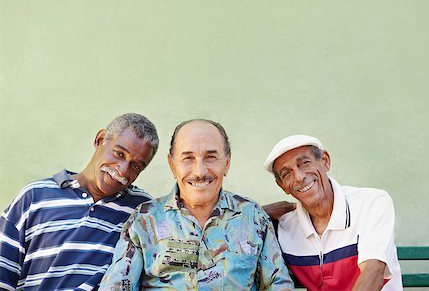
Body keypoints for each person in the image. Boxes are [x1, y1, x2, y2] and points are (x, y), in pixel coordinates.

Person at [99, 119, 294, 290]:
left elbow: (278, 284)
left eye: (210, 157)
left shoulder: (253, 217)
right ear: (172, 165)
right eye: (188, 158)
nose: (200, 171)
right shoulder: (144, 220)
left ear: (226, 163)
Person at [0, 113, 159, 291]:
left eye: (136, 166)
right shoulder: (34, 197)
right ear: (100, 140)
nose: (122, 171)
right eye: (119, 154)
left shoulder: (143, 212)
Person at [263, 135, 402, 291]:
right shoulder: (284, 227)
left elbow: (373, 271)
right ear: (282, 186)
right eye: (286, 174)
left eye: (304, 163)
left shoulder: (372, 203)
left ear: (325, 161)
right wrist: (259, 212)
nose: (299, 177)